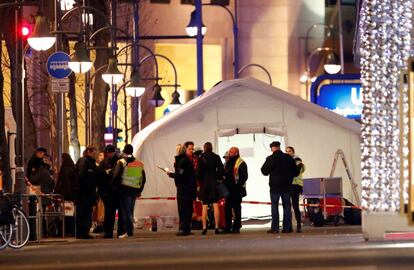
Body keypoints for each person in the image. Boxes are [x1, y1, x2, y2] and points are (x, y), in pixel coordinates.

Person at [261, 141, 297, 234]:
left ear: (272, 148)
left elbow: (264, 171)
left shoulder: (270, 158)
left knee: (274, 207)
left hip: (275, 187)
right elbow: (296, 172)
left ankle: (275, 228)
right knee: (287, 207)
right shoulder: (288, 158)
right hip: (286, 186)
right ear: (279, 147)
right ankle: (287, 228)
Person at [113, 144, 146, 238]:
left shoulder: (122, 162)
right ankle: (129, 231)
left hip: (124, 191)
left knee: (126, 212)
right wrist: (139, 189)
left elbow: (116, 176)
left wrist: (115, 187)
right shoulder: (138, 163)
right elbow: (143, 179)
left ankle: (129, 232)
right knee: (130, 211)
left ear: (124, 151)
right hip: (134, 191)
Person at [167, 144, 197, 236]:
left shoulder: (181, 161)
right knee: (188, 209)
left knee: (183, 209)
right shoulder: (187, 160)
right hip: (190, 188)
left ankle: (183, 229)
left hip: (183, 189)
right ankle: (187, 228)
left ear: (178, 151)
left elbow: (180, 176)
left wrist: (170, 174)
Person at [196, 142, 224, 235]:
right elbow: (221, 170)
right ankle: (216, 227)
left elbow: (198, 173)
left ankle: (204, 228)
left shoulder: (201, 158)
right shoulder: (216, 157)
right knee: (216, 205)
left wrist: (202, 180)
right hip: (213, 183)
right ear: (211, 148)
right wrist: (217, 177)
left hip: (204, 184)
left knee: (204, 206)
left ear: (204, 148)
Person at [97, 144, 121, 238]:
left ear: (113, 152)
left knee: (116, 213)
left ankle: (119, 232)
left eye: (109, 153)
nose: (108, 154)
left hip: (116, 191)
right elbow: (99, 173)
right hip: (107, 192)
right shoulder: (105, 162)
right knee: (108, 213)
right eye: (107, 153)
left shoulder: (118, 161)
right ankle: (108, 232)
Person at [75, 146, 98, 239]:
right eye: (93, 153)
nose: (94, 155)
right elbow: (81, 176)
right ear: (88, 152)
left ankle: (84, 232)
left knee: (87, 212)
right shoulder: (84, 161)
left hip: (88, 192)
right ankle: (82, 232)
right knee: (83, 213)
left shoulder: (90, 162)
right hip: (84, 193)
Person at [223, 147, 248, 234]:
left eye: (231, 151)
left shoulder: (241, 162)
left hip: (237, 190)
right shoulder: (228, 162)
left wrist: (237, 186)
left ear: (236, 153)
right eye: (229, 151)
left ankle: (236, 227)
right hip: (228, 190)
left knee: (237, 209)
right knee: (227, 209)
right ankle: (227, 227)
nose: (229, 153)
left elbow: (244, 177)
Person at [286, 146, 305, 233]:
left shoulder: (297, 161)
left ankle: (298, 225)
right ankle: (288, 225)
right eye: (286, 151)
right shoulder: (286, 161)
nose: (288, 153)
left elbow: (296, 173)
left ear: (293, 152)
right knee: (287, 206)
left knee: (295, 206)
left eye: (289, 151)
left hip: (296, 185)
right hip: (288, 185)